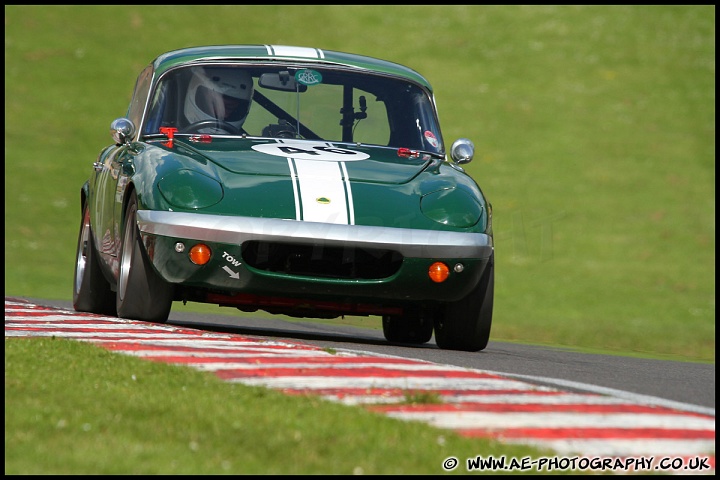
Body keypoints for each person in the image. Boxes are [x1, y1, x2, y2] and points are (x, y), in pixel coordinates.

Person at [184, 67, 254, 133]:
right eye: (214, 104)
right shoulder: (176, 134)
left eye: (229, 107)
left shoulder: (243, 142)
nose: (223, 114)